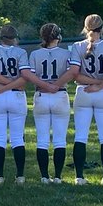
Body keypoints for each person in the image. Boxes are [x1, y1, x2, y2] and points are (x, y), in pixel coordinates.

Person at [68, 14, 103, 185]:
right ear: (102, 29)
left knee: (80, 136)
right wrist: (100, 84)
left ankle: (79, 177)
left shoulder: (77, 46)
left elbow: (75, 74)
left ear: (85, 28)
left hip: (83, 91)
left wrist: (94, 83)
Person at [0, 24, 32, 184]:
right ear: (14, 38)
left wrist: (3, 87)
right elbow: (25, 76)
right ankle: (20, 175)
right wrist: (12, 84)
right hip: (16, 95)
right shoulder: (21, 52)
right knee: (18, 138)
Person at [28, 23, 74, 184]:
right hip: (59, 94)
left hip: (41, 94)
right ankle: (58, 176)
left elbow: (29, 75)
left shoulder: (35, 54)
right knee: (60, 140)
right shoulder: (66, 53)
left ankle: (44, 176)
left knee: (42, 139)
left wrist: (45, 85)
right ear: (58, 36)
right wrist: (55, 85)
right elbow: (72, 72)